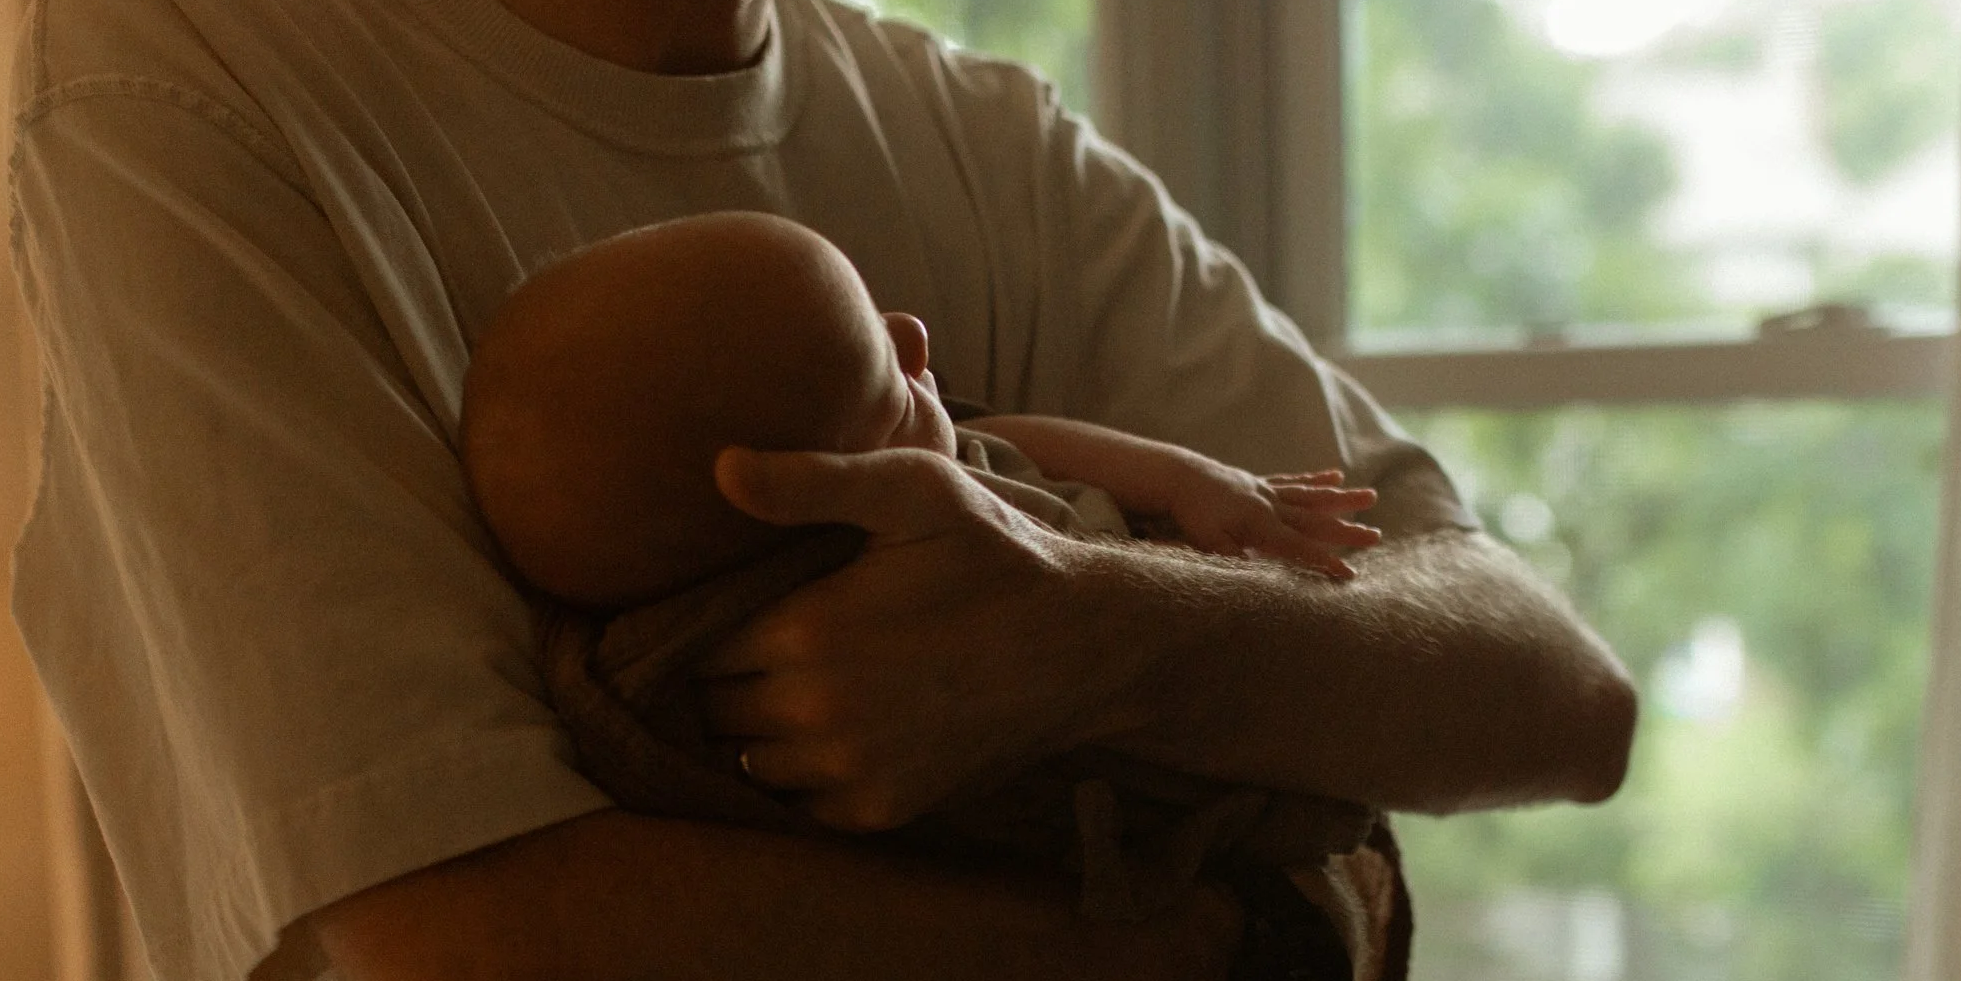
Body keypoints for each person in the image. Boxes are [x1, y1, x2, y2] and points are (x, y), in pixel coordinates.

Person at [5, 0, 1637, 981]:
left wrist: (1095, 630)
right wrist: (1255, 956)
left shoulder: (983, 138)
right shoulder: (197, 57)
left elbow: (1551, 685)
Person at [460, 209, 1387, 611]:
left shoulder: (956, 465)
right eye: (884, 377)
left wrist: (1193, 480)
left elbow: (1012, 441)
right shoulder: (878, 619)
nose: (915, 335)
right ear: (806, 502)